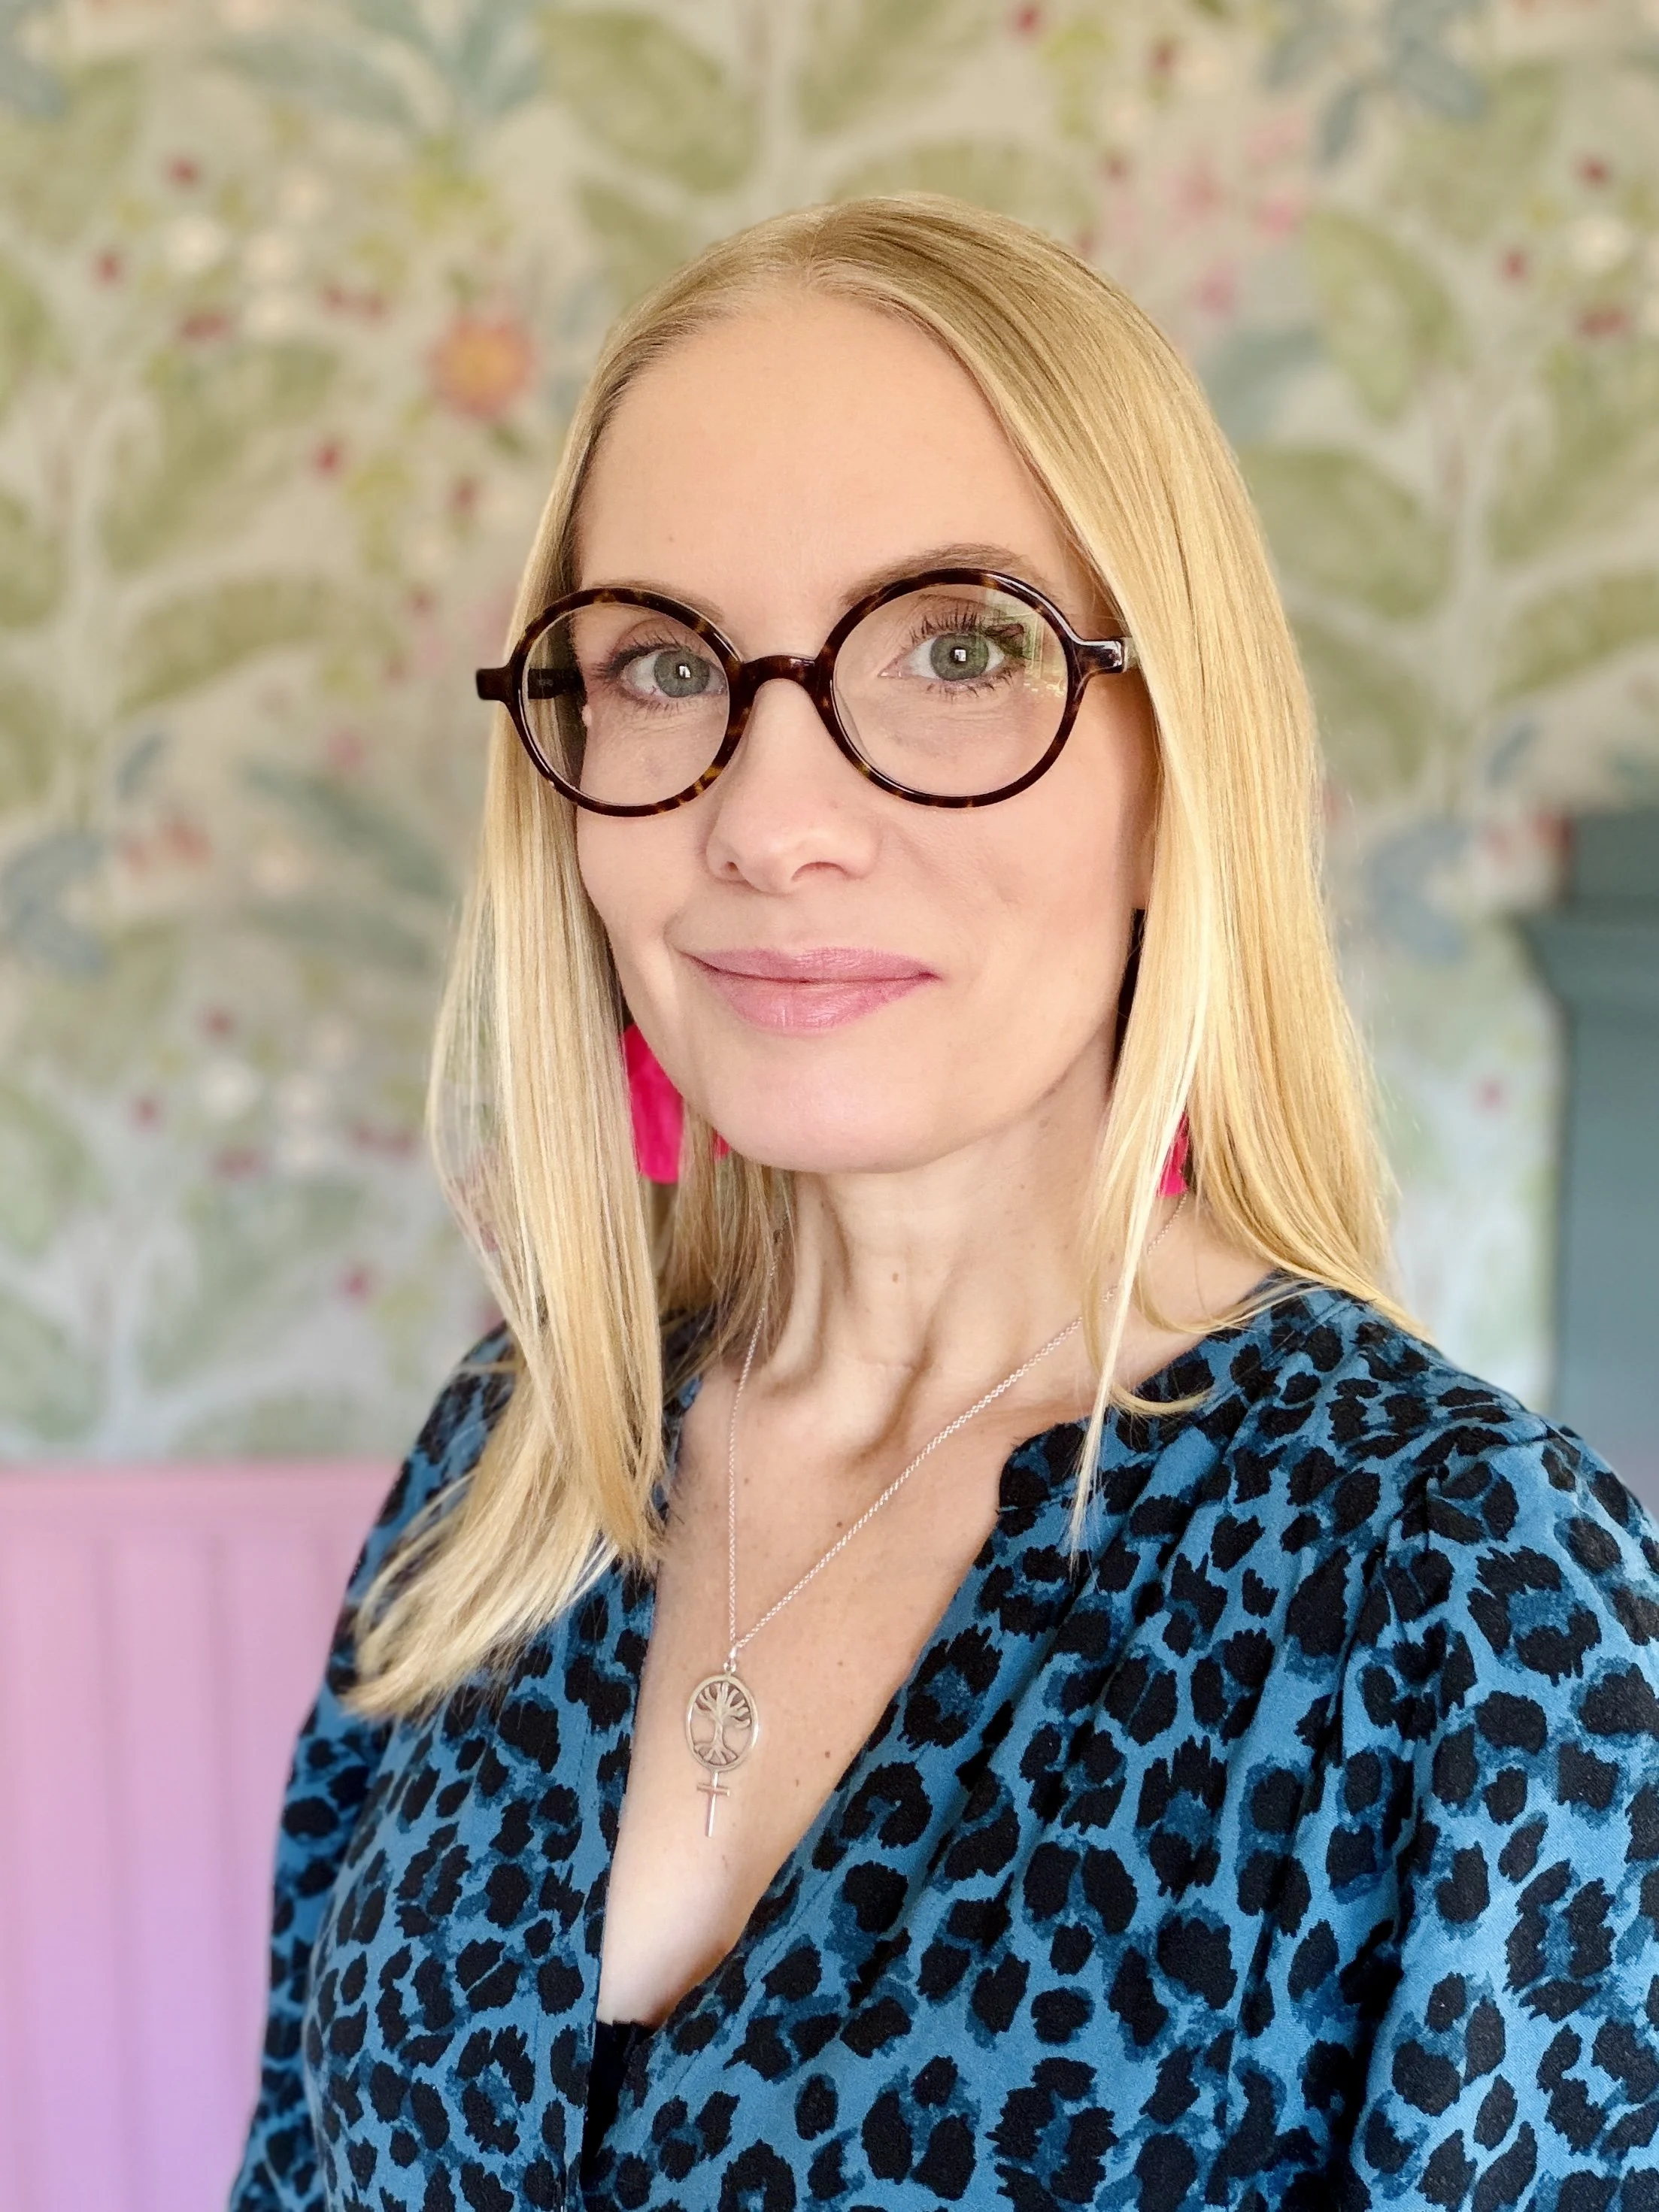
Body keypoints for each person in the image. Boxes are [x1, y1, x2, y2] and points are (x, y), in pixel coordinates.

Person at [230, 197, 1659, 2212]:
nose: (769, 820)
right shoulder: (517, 1449)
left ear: (1179, 764)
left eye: (959, 650)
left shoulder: (1450, 1584)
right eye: (656, 665)